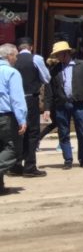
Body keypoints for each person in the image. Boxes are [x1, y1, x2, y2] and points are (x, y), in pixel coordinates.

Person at [42, 40, 83, 170]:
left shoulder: (82, 65)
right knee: (63, 132)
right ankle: (68, 159)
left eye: (59, 54)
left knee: (81, 133)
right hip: (61, 104)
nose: (57, 57)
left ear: (66, 53)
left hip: (79, 103)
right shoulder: (54, 69)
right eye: (56, 55)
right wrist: (47, 108)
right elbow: (49, 90)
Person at [9, 37, 48, 177]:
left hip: (13, 100)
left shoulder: (12, 60)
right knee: (32, 132)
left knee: (18, 132)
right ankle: (30, 166)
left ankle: (15, 165)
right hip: (30, 98)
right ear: (31, 47)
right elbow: (46, 78)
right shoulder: (36, 59)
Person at [0, 43, 28, 195]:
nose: (17, 58)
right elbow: (17, 99)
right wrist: (22, 119)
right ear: (9, 56)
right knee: (14, 150)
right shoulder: (11, 72)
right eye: (16, 55)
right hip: (6, 117)